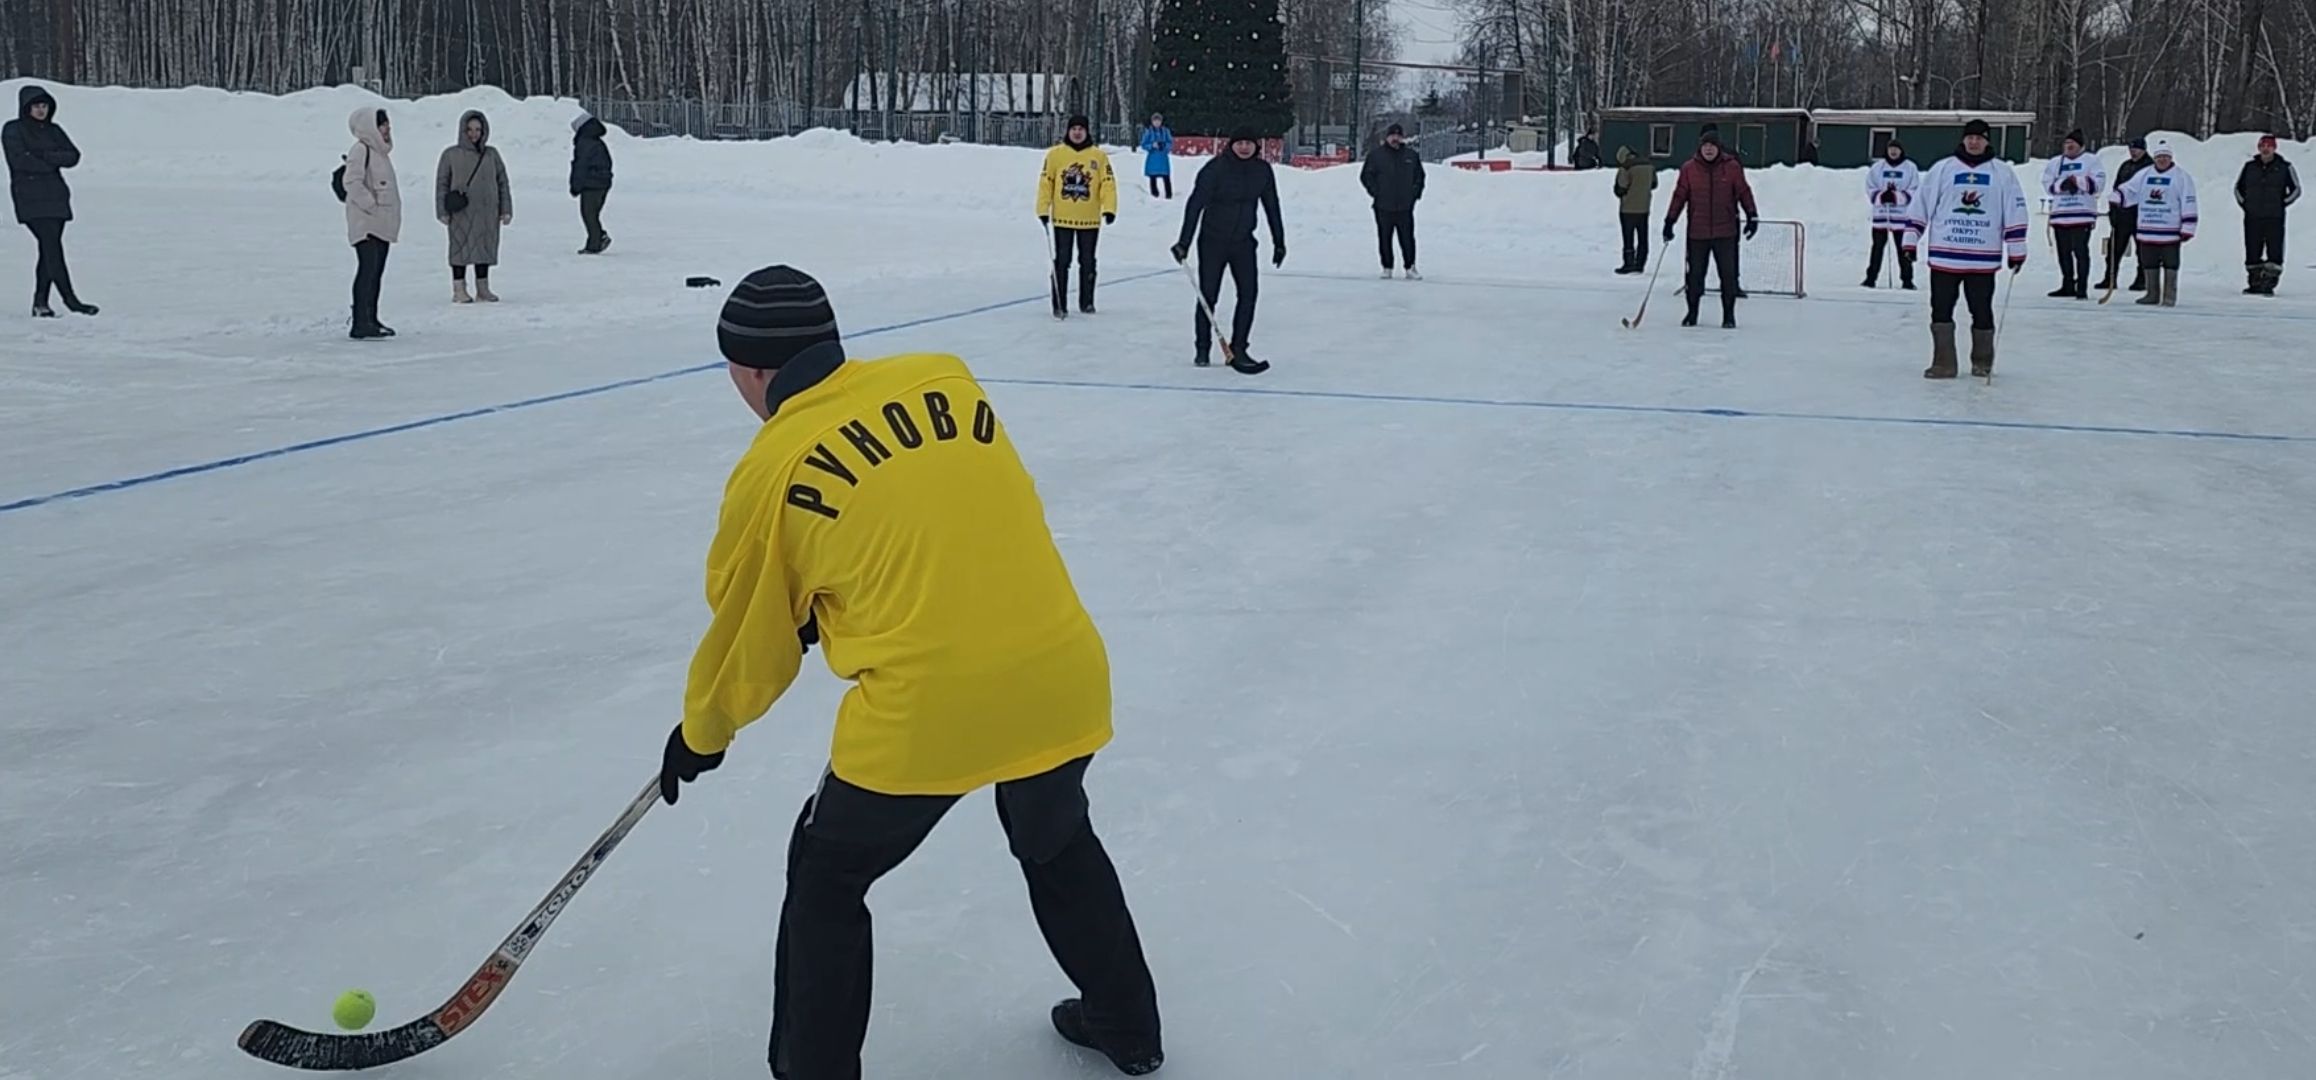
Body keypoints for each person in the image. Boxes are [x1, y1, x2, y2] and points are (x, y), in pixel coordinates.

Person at [657, 265, 1164, 1080]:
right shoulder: (944, 378)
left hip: (929, 711)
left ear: (750, 372)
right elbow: (943, 514)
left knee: (827, 879)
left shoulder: (772, 465)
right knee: (1057, 838)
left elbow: (753, 640)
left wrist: (702, 733)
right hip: (1060, 675)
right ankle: (1128, 1025)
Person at [1902, 118, 2029, 379]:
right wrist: (1911, 238)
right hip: (1945, 256)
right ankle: (1943, 363)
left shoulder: (2002, 173)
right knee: (1941, 309)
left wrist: (2016, 248)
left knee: (1981, 310)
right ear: (1963, 139)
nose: (1974, 142)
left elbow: (2015, 210)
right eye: (1970, 137)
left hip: (1982, 258)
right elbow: (1921, 204)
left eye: (1979, 138)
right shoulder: (1942, 169)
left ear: (1987, 141)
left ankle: (1982, 361)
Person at [1171, 127, 1284, 374]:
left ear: (1256, 146)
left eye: (1249, 143)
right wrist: (1184, 242)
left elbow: (1271, 205)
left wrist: (1279, 241)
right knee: (1208, 295)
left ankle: (1239, 347)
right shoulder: (1215, 169)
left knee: (1249, 294)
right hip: (1213, 242)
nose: (1244, 147)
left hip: (1244, 242)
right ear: (1231, 145)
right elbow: (1195, 205)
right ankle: (1202, 348)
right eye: (1239, 143)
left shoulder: (1262, 171)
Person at [4, 84, 96, 317]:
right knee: (51, 245)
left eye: (44, 106)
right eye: (36, 106)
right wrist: (52, 160)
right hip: (29, 196)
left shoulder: (54, 130)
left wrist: (44, 156)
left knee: (48, 249)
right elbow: (20, 160)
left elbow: (72, 156)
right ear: (26, 108)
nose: (41, 110)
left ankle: (40, 303)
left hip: (56, 195)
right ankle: (71, 300)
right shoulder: (13, 129)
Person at [1663, 129, 1757, 329]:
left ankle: (1729, 315)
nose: (1708, 149)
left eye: (1712, 146)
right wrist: (1670, 221)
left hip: (1726, 232)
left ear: (1718, 148)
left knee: (1728, 275)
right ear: (1700, 147)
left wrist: (1752, 215)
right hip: (1698, 232)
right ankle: (1692, 313)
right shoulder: (1689, 169)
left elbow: (1743, 191)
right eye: (1705, 146)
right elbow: (1679, 196)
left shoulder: (1732, 167)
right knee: (1695, 275)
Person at [1037, 114, 1118, 317]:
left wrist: (1109, 208)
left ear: (1087, 131)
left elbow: (1107, 184)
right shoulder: (1055, 155)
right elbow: (1046, 183)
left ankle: (1087, 302)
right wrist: (1043, 209)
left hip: (1089, 219)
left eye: (1081, 129)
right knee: (1062, 261)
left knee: (1088, 261)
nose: (1077, 133)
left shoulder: (1098, 157)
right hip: (1063, 218)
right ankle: (1059, 304)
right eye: (1074, 129)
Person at [435, 109, 512, 303]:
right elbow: (442, 184)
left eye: (478, 129)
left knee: (483, 248)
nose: (474, 134)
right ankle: (459, 289)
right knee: (460, 248)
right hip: (462, 212)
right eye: (469, 129)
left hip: (487, 212)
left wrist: (505, 209)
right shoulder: (450, 154)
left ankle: (483, 288)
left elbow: (502, 181)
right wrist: (442, 211)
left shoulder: (492, 154)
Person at [342, 106, 402, 339]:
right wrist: (370, 205)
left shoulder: (382, 154)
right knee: (367, 270)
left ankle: (371, 318)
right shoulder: (361, 150)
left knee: (376, 272)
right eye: (381, 124)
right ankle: (360, 321)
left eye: (386, 123)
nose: (387, 128)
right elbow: (352, 182)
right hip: (366, 223)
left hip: (381, 223)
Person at [2118, 137, 2197, 307]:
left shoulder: (2181, 177)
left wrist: (2188, 226)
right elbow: (2130, 189)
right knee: (2149, 261)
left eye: (2165, 157)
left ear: (2171, 158)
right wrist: (2118, 197)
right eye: (2159, 157)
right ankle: (2151, 294)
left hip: (2170, 230)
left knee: (2171, 263)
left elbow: (2189, 202)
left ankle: (2169, 295)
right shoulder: (2145, 174)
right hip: (2147, 228)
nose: (2162, 160)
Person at [2040, 128, 2105, 299]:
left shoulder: (2092, 160)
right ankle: (2067, 284)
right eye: (2066, 143)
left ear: (2080, 146)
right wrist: (2062, 184)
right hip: (2061, 214)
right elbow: (2047, 184)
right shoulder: (2055, 162)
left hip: (2082, 214)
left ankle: (2082, 287)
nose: (2068, 146)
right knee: (2063, 252)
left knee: (2080, 251)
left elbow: (2098, 184)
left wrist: (2078, 181)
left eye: (2072, 143)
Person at [2234, 134, 2300, 295]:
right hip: (2252, 216)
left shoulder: (2285, 167)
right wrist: (2246, 205)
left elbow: (2296, 190)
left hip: (2274, 217)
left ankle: (2269, 283)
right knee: (2252, 249)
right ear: (2258, 148)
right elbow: (2238, 188)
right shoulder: (2249, 167)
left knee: (2274, 250)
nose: (2265, 149)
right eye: (2263, 146)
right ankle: (2255, 282)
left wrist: (2282, 203)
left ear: (2274, 148)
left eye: (2269, 146)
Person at [1360, 122, 1425, 279]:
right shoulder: (1376, 156)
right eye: (1392, 135)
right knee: (1384, 238)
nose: (1395, 138)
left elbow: (1420, 177)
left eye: (1398, 135)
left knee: (1407, 238)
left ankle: (1410, 267)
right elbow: (1366, 176)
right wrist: (1376, 192)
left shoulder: (1411, 156)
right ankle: (1387, 266)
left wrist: (1414, 195)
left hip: (1405, 206)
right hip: (1383, 205)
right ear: (1387, 137)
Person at [1862, 138, 1919, 289]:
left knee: (1903, 250)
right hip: (1882, 215)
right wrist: (1881, 196)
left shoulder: (1910, 167)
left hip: (1901, 217)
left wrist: (1896, 197)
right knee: (1877, 249)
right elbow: (1870, 187)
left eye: (1896, 149)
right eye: (1891, 149)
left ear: (1901, 151)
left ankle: (1907, 280)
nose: (1893, 152)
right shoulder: (1877, 168)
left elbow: (1914, 189)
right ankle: (1871, 278)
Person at [2100, 138, 2154, 292]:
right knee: (2114, 248)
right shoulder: (2125, 166)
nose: (2133, 152)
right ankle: (2110, 277)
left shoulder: (2150, 167)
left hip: (2140, 215)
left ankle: (2142, 279)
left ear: (2143, 150)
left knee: (2142, 250)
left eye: (2136, 149)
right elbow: (2117, 187)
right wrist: (2113, 209)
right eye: (2131, 149)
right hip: (2122, 215)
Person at [570, 112, 614, 254]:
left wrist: (575, 186)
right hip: (602, 182)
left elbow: (580, 166)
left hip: (591, 184)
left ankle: (595, 243)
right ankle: (598, 238)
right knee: (592, 214)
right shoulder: (597, 142)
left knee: (588, 214)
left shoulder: (585, 143)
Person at [1612, 145, 1657, 274]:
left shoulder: (1626, 167)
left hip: (1628, 208)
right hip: (1644, 207)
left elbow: (1621, 188)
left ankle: (1629, 263)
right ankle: (1640, 263)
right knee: (1643, 237)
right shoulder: (1649, 165)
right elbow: (1654, 184)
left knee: (1628, 238)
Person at [1139, 113, 1174, 199]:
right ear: (1152, 122)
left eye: (1158, 121)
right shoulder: (1149, 132)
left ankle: (1169, 194)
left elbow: (1170, 143)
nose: (1157, 123)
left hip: (1163, 158)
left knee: (1166, 177)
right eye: (1155, 121)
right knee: (1153, 177)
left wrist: (1164, 146)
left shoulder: (1165, 131)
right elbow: (1143, 144)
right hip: (1153, 158)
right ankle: (1154, 194)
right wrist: (1152, 145)